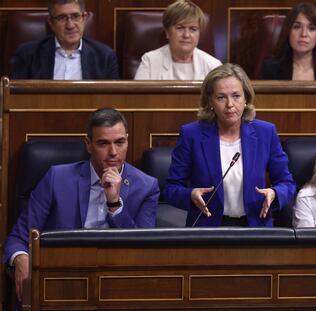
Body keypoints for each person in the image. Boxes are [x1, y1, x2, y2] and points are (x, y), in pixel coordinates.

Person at [4, 108, 159, 302]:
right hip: (63, 280)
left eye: (120, 142)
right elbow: (18, 238)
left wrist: (115, 204)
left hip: (116, 284)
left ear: (127, 140)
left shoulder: (146, 186)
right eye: (103, 143)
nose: (113, 152)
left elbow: (144, 252)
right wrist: (21, 258)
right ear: (88, 144)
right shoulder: (57, 178)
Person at [163, 63, 296, 227]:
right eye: (221, 97)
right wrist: (190, 195)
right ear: (210, 101)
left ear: (246, 98)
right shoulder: (192, 135)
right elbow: (171, 189)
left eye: (236, 96)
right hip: (208, 229)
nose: (230, 104)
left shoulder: (265, 133)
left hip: (255, 228)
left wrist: (275, 193)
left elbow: (287, 183)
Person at [11, 0, 119, 79]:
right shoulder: (27, 54)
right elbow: (16, 100)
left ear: (84, 18)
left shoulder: (105, 57)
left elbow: (111, 104)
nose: (70, 25)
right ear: (51, 23)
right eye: (62, 18)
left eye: (75, 16)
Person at [134, 0, 222, 80]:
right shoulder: (150, 61)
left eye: (193, 29)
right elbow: (138, 97)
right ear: (167, 32)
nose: (186, 35)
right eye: (180, 28)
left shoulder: (213, 66)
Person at [261, 2, 316, 80]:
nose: (303, 34)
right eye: (297, 27)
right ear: (288, 32)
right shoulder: (270, 68)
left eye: (311, 28)